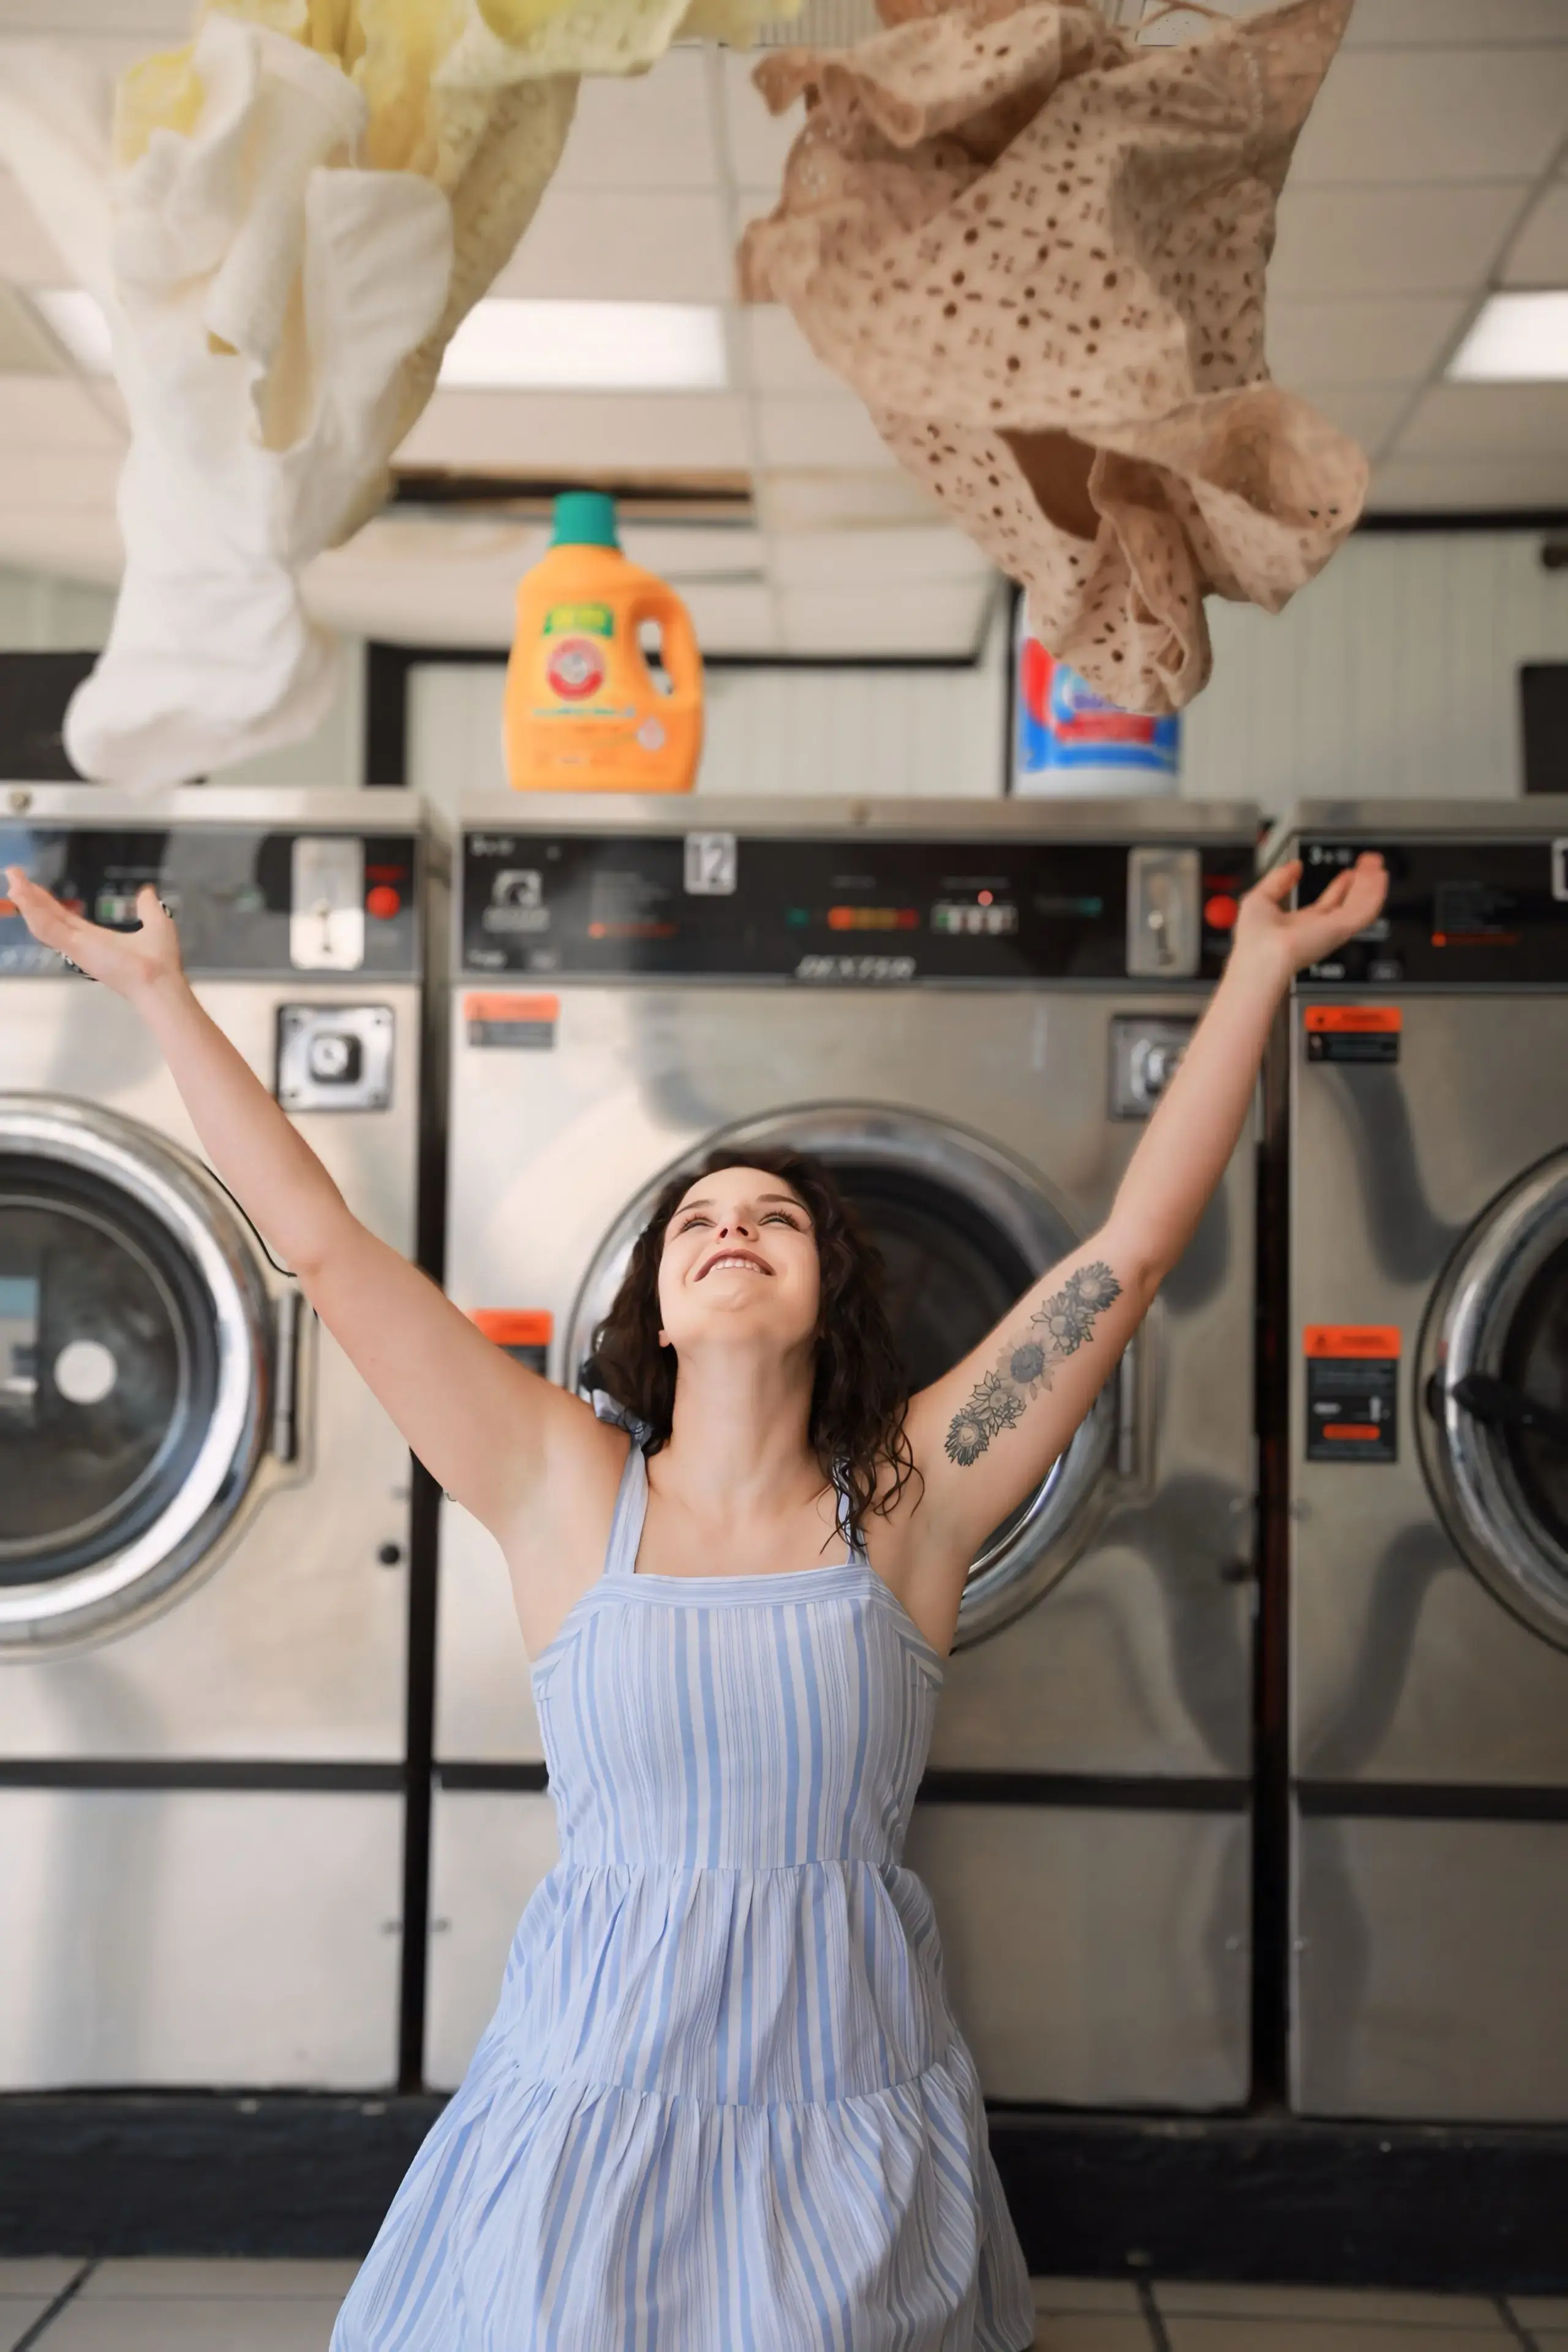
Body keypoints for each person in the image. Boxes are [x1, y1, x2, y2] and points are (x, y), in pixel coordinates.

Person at [6, 846, 1387, 2352]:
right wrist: (161, 997)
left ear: (824, 1297)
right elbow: (324, 1249)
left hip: (839, 2095)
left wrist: (1255, 965)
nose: (733, 1228)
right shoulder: (556, 1481)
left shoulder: (910, 1494)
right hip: (595, 2085)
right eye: (699, 1220)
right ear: (656, 1301)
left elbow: (1126, 1256)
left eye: (775, 1221)